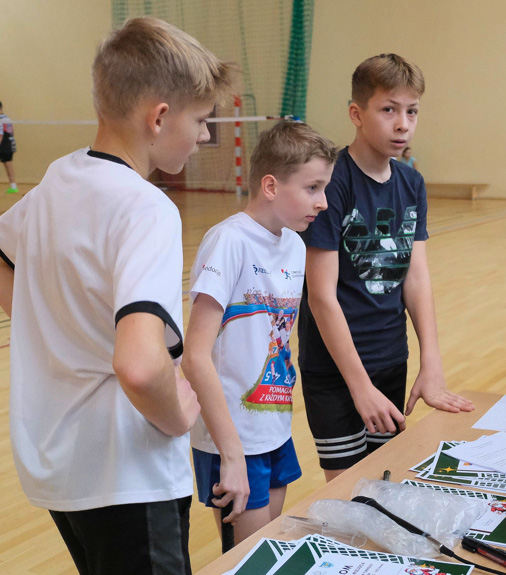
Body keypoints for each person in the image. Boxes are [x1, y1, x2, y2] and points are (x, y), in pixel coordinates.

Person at [0, 17, 236, 575]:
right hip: (126, 472)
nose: (205, 135)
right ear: (159, 117)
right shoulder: (146, 208)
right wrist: (177, 414)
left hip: (60, 466)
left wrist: (51, 326)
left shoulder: (59, 177)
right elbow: (137, 365)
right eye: (201, 121)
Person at [298, 53, 474, 482]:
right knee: (346, 494)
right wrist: (360, 388)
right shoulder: (332, 183)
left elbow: (416, 278)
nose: (403, 124)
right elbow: (321, 296)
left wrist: (430, 364)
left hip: (391, 359)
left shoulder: (411, 183)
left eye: (412, 111)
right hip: (337, 370)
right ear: (357, 114)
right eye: (389, 110)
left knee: (382, 484)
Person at [181, 121, 337, 545]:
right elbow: (194, 357)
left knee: (263, 551)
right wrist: (231, 454)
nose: (323, 202)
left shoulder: (295, 246)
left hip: (274, 427)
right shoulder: (228, 242)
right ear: (270, 185)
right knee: (248, 558)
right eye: (312, 188)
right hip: (232, 440)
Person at [0, 101, 17, 194]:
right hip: (10, 145)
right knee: (8, 166)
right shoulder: (6, 118)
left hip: (3, 146)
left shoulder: (0, 119)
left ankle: (13, 186)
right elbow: (12, 130)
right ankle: (13, 186)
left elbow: (0, 134)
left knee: (8, 165)